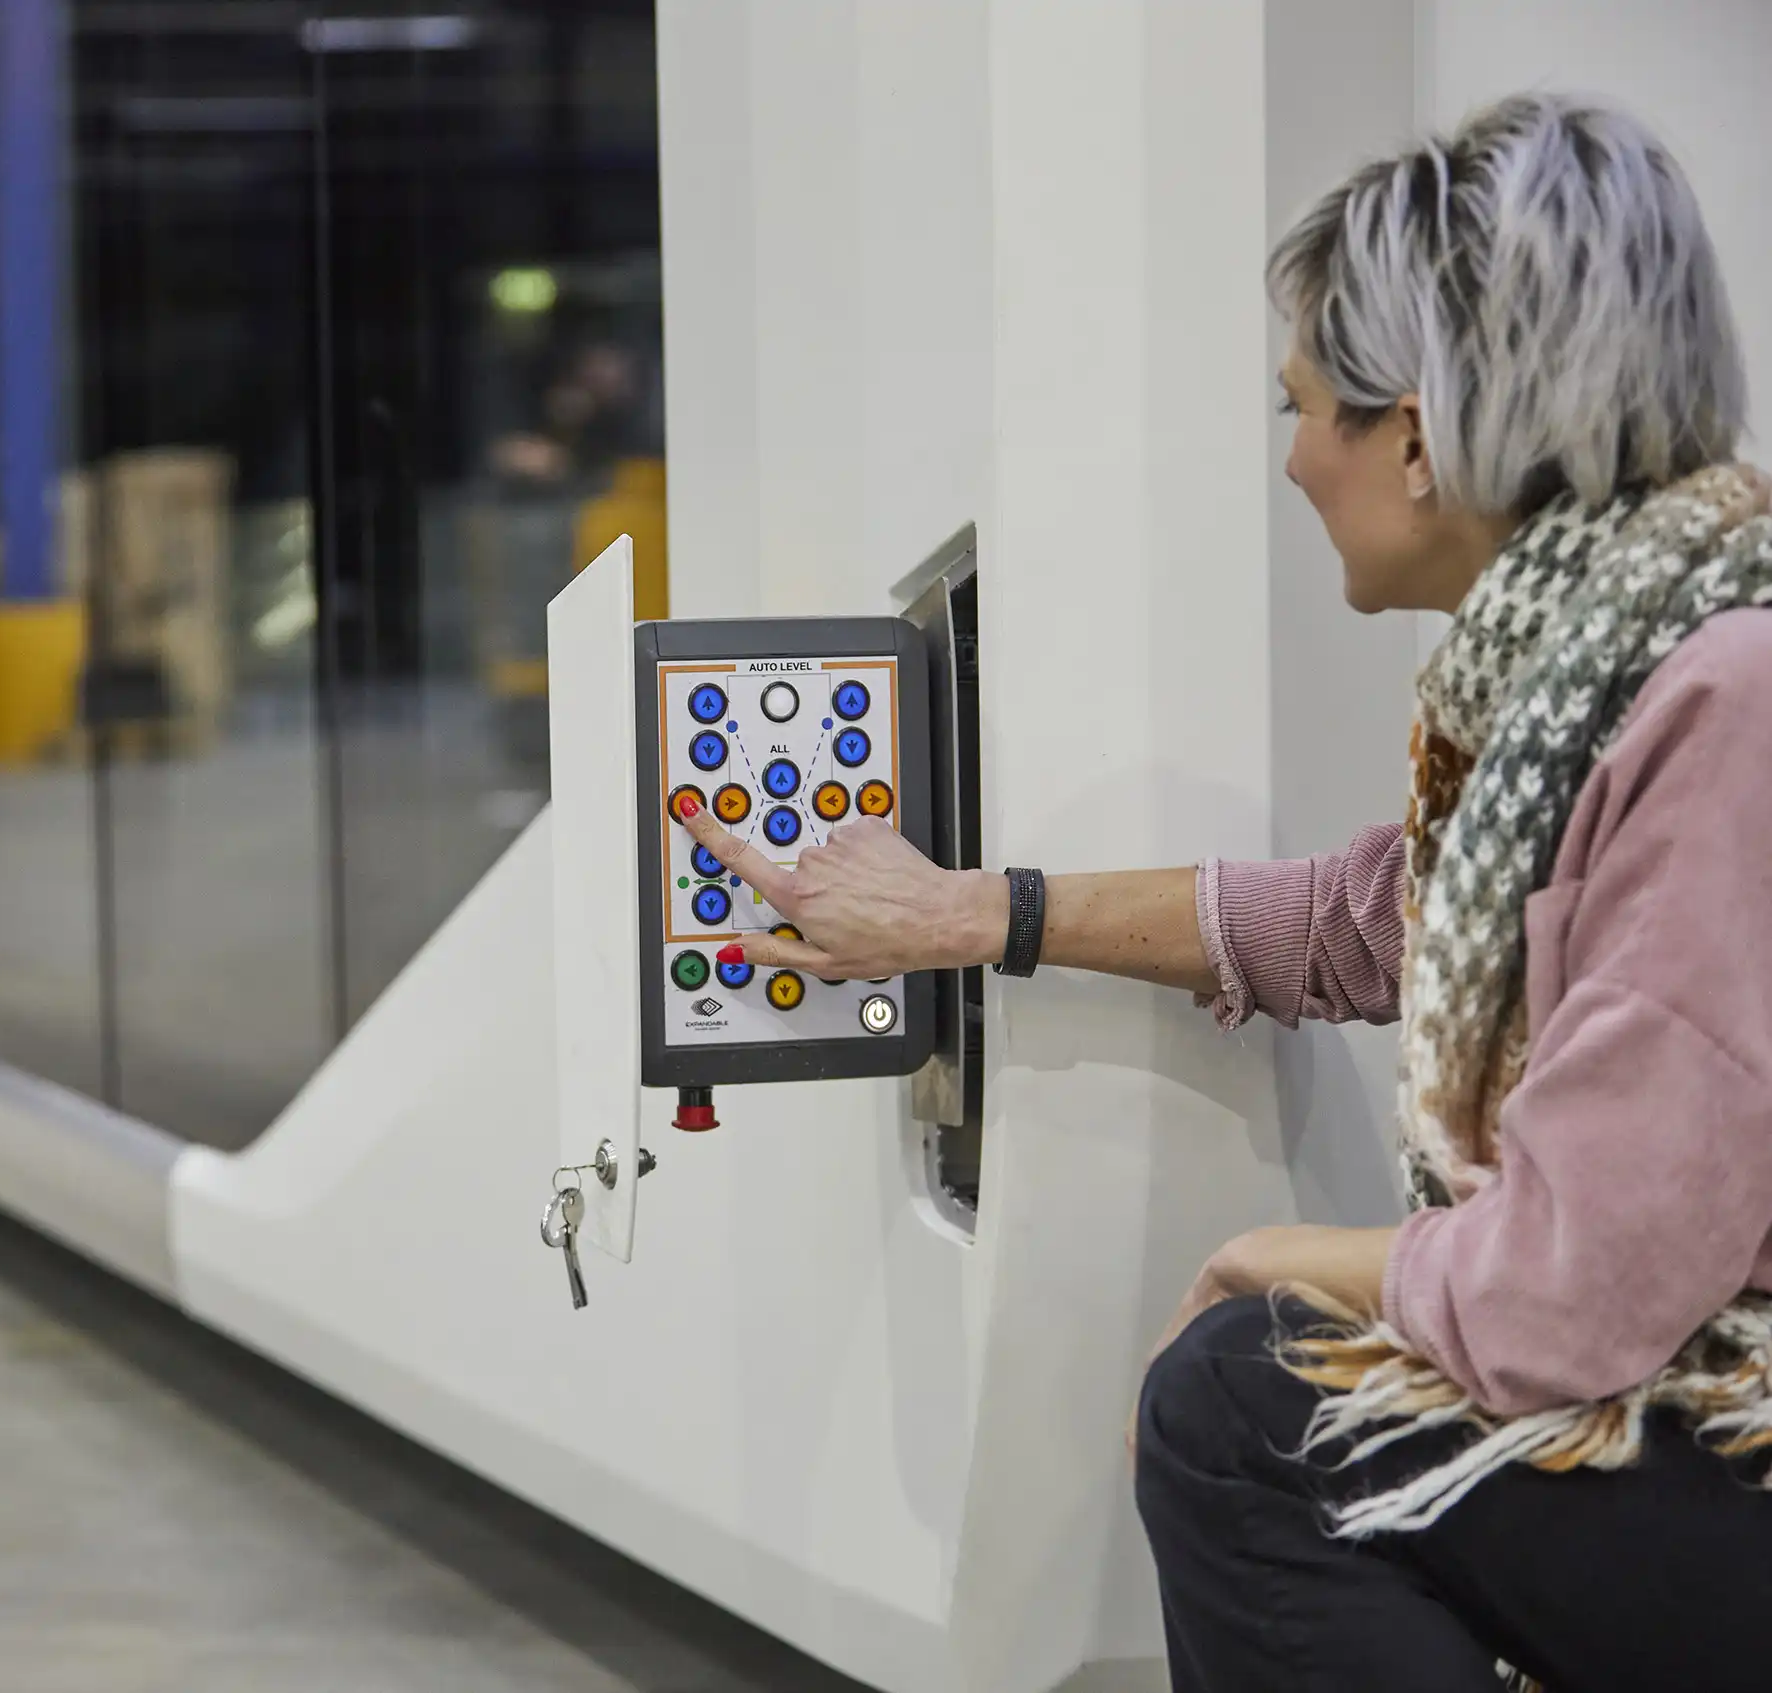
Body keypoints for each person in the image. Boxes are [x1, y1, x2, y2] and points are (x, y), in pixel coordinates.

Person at [677, 93, 1772, 1691]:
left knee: (1242, 1405)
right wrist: (970, 913)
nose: (1289, 463)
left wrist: (1281, 1252)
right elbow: (1361, 922)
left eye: (1304, 409)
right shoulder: (1608, 680)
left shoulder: (1718, 704)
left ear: (1415, 433)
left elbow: (1563, 1297)